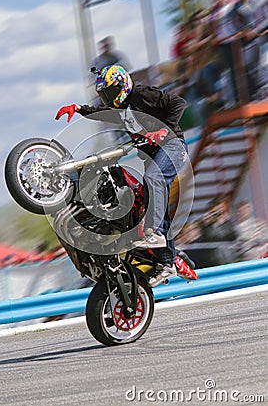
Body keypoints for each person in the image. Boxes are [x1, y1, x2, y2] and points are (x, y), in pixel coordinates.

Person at [55, 65, 188, 286]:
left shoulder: (142, 94)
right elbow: (100, 114)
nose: (110, 98)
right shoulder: (121, 109)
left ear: (123, 83)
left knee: (153, 179)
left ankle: (152, 232)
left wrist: (165, 129)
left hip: (173, 147)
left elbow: (177, 103)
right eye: (105, 94)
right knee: (153, 198)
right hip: (154, 157)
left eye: (112, 92)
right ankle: (168, 262)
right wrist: (78, 108)